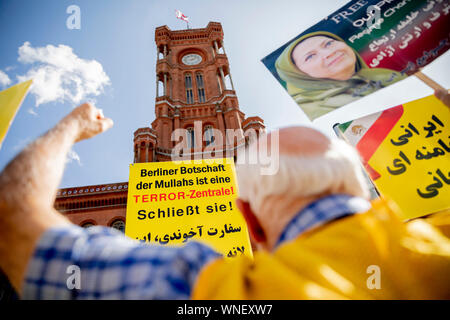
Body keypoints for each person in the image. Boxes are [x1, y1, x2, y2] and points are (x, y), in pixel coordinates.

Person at [0, 103, 449, 300]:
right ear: (360, 184)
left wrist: (71, 127)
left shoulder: (208, 285)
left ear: (248, 218)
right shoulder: (437, 231)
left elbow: (15, 222)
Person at [275, 31, 407, 120]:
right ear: (298, 75)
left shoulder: (380, 75)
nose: (328, 53)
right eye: (310, 56)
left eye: (328, 43)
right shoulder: (311, 109)